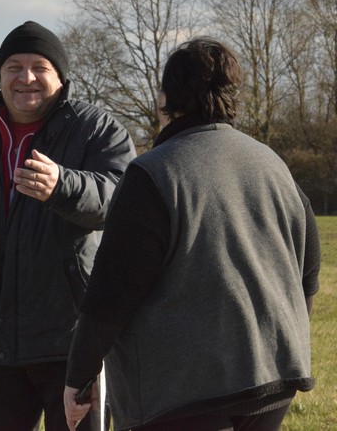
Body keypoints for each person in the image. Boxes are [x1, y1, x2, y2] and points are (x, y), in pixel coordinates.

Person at [64, 37, 321, 431]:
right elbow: (309, 267)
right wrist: (282, 339)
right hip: (274, 381)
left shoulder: (153, 174)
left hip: (183, 393)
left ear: (165, 98)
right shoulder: (273, 164)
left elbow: (110, 295)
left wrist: (77, 378)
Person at [0, 20, 135, 431]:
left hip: (72, 342)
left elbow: (122, 202)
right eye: (14, 67)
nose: (26, 78)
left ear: (61, 77)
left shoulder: (98, 131)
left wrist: (63, 186)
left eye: (40, 67)